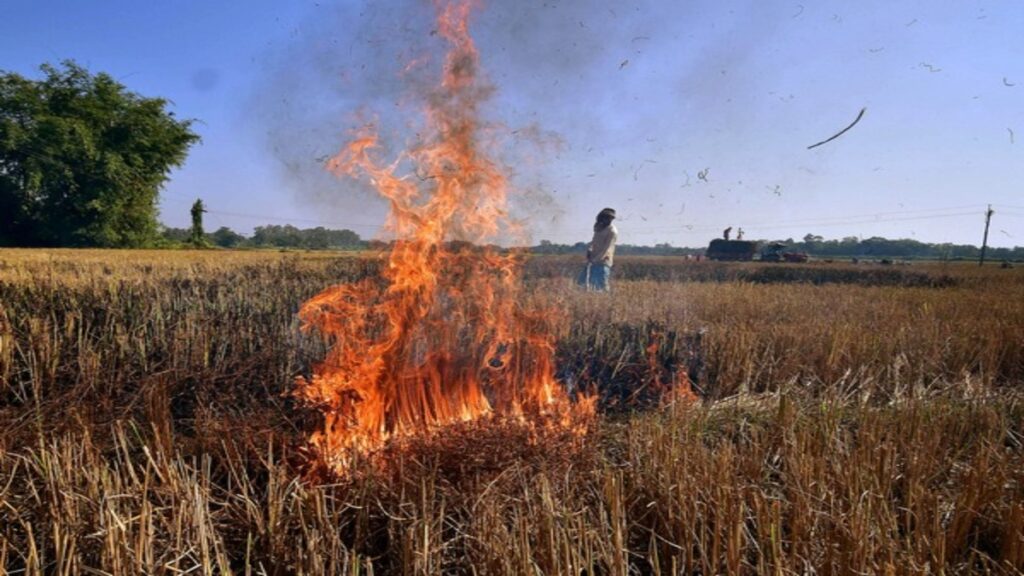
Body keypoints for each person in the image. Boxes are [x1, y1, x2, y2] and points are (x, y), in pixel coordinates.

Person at [578, 207, 618, 291]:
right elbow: (593, 241)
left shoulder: (612, 231)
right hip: (592, 260)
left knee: (600, 287)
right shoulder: (599, 228)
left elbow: (607, 249)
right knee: (581, 283)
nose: (608, 220)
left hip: (603, 262)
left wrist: (595, 260)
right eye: (606, 217)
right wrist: (589, 249)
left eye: (610, 218)